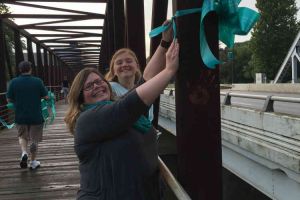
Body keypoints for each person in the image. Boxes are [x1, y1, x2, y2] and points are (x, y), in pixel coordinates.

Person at [64, 40, 179, 199]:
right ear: (80, 97)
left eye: (99, 81)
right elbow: (130, 105)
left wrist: (164, 43)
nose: (97, 86)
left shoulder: (117, 108)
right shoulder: (87, 119)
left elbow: (144, 82)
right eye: (89, 86)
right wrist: (169, 70)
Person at [105, 20, 173, 122]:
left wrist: (165, 41)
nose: (124, 65)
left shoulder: (143, 88)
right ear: (113, 70)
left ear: (137, 66)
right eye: (119, 63)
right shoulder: (109, 88)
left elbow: (148, 77)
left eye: (129, 61)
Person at [6, 61, 48, 170]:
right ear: (30, 69)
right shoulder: (37, 81)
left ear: (20, 70)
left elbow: (9, 99)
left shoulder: (13, 82)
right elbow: (46, 96)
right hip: (36, 115)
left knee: (22, 136)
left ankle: (24, 152)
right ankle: (33, 162)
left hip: (20, 115)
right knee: (34, 139)